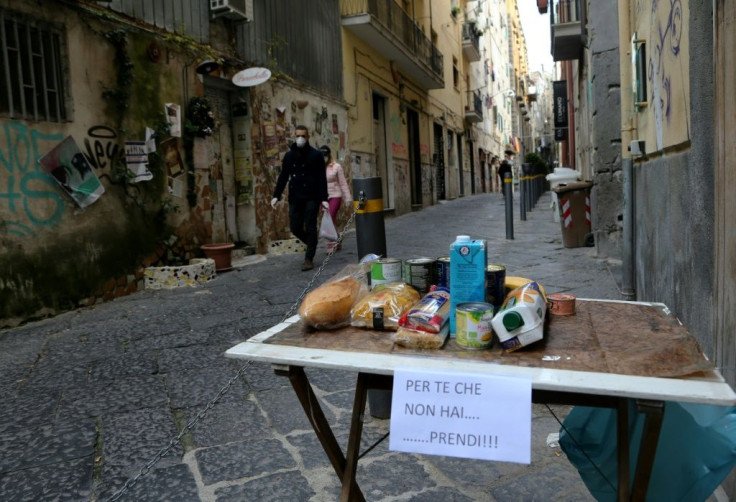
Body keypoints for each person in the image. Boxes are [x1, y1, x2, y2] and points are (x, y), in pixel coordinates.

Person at [271, 125, 328, 271]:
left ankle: (309, 259)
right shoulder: (289, 156)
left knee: (310, 225)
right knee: (295, 227)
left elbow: (322, 178)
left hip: (311, 196)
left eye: (303, 135)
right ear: (294, 137)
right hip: (295, 196)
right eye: (297, 136)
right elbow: (283, 176)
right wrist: (276, 195)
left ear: (307, 137)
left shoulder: (316, 155)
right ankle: (311, 243)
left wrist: (324, 199)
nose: (300, 138)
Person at [319, 145, 352, 252]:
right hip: (323, 197)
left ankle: (331, 243)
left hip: (335, 196)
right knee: (327, 218)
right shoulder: (317, 167)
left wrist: (348, 197)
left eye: (325, 155)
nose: (323, 157)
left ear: (329, 155)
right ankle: (337, 239)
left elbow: (342, 183)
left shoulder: (336, 166)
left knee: (331, 215)